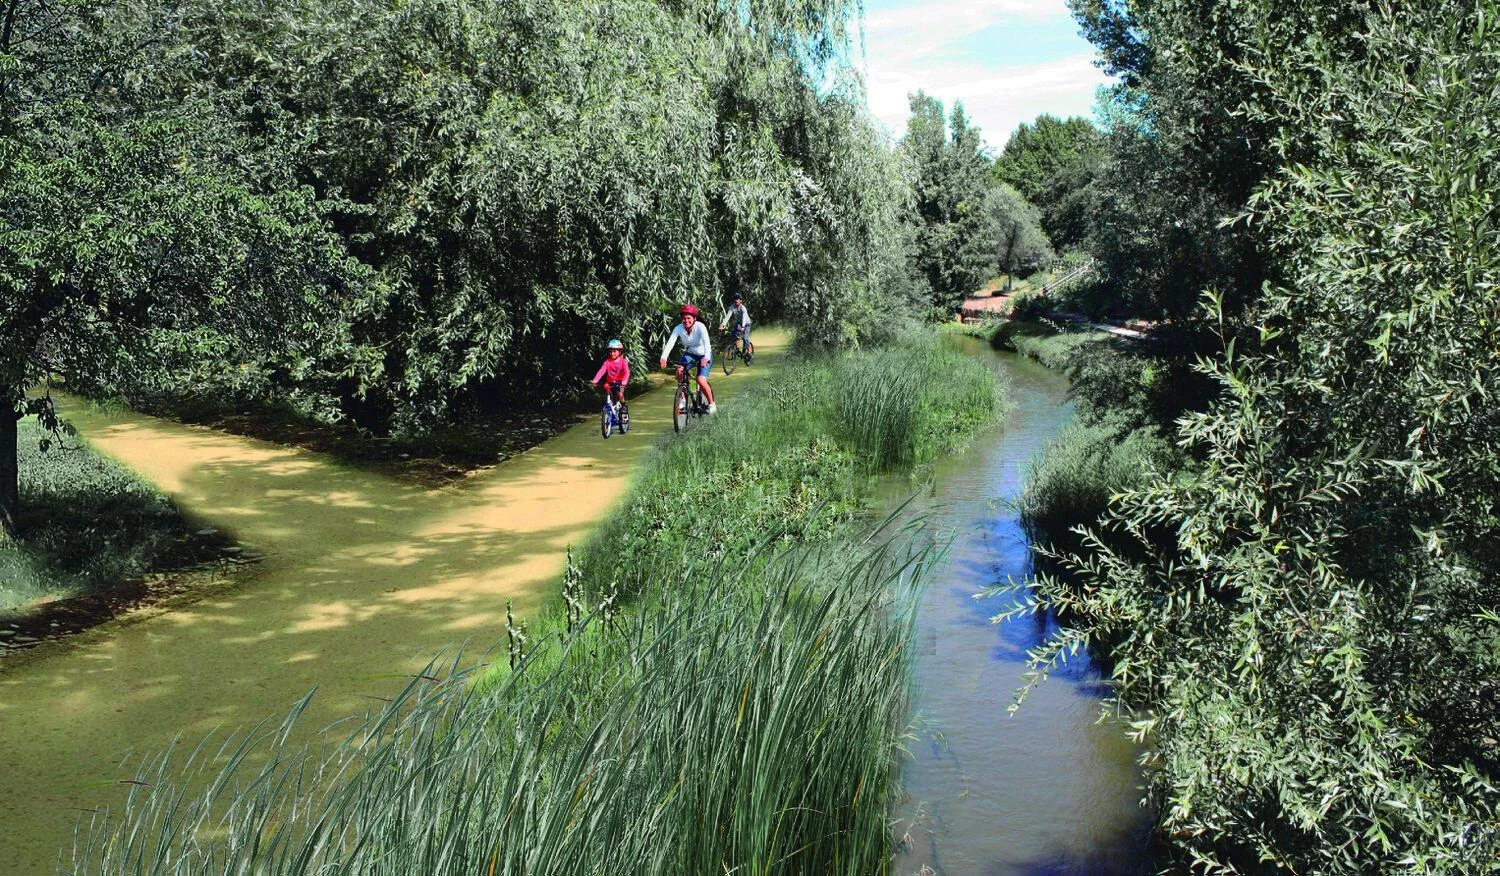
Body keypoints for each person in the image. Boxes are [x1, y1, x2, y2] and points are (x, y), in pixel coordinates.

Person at [660, 303, 715, 414]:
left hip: (704, 354)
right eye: (684, 318)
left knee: (700, 380)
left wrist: (706, 358)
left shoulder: (700, 326)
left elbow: (707, 343)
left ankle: (711, 404)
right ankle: (683, 398)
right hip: (690, 354)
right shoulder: (679, 328)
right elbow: (671, 342)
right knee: (680, 370)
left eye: (689, 318)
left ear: (694, 319)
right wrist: (664, 357)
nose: (686, 321)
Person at [592, 339, 631, 426]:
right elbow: (601, 371)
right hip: (610, 383)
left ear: (620, 352)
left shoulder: (623, 361)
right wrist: (595, 380)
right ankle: (610, 416)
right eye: (610, 351)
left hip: (620, 383)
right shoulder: (607, 362)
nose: (612, 353)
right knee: (609, 398)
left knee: (620, 394)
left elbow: (627, 372)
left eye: (614, 351)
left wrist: (624, 381)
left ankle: (624, 409)